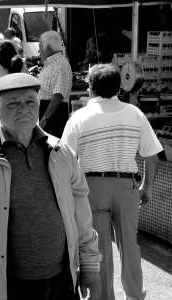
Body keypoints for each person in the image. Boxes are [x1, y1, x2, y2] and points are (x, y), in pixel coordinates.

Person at [0, 72, 102, 300]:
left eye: (30, 102)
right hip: (4, 284)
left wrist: (90, 266)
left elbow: (82, 216)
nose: (23, 109)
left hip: (61, 280)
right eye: (13, 103)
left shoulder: (60, 152)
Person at [61, 63, 163, 300]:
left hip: (91, 188)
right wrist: (146, 187)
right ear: (119, 87)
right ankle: (135, 294)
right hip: (126, 186)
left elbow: (64, 159)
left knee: (99, 246)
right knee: (130, 245)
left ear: (90, 88)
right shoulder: (134, 113)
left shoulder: (79, 117)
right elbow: (152, 156)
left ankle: (104, 297)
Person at [37, 30, 72, 138]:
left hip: (53, 118)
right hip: (47, 114)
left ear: (47, 48)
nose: (38, 51)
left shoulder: (60, 65)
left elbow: (58, 96)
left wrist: (45, 118)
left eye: (40, 47)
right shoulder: (52, 64)